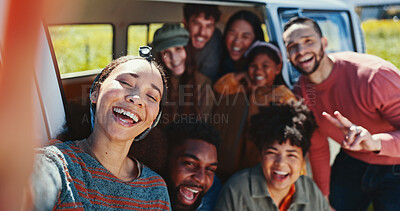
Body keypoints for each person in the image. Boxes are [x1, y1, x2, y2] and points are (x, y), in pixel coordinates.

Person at [283, 16, 400, 210]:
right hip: (350, 163)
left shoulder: (374, 76)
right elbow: (318, 146)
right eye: (292, 46)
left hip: (395, 167)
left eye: (308, 41)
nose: (301, 50)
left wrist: (375, 142)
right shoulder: (301, 93)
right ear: (287, 55)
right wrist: (324, 196)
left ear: (324, 42)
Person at [29, 54, 171, 210]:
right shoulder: (55, 164)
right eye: (125, 82)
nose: (136, 98)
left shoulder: (156, 189)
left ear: (152, 121)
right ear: (95, 92)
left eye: (151, 96)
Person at [215, 101, 329, 211]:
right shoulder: (236, 190)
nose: (280, 163)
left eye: (291, 155)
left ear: (303, 162)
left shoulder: (312, 192)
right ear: (261, 155)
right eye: (272, 153)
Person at [212, 41, 296, 181]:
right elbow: (219, 87)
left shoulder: (282, 95)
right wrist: (241, 75)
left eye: (265, 66)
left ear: (278, 68)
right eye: (253, 66)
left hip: (261, 163)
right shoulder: (245, 88)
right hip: (236, 161)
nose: (258, 71)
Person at [152, 23, 214, 123]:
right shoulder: (154, 83)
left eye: (178, 49)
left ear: (187, 50)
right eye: (166, 52)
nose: (174, 58)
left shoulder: (203, 83)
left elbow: (203, 125)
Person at [162, 119, 222, 211]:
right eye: (190, 163)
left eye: (210, 169)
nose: (201, 179)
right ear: (164, 158)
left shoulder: (215, 195)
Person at [218, 10, 265, 78]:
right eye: (232, 34)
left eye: (245, 36)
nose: (236, 41)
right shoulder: (215, 61)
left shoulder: (261, 70)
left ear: (256, 40)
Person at [183, 3, 222, 81]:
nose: (202, 33)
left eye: (209, 26)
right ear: (185, 23)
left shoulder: (215, 44)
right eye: (197, 24)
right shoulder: (177, 42)